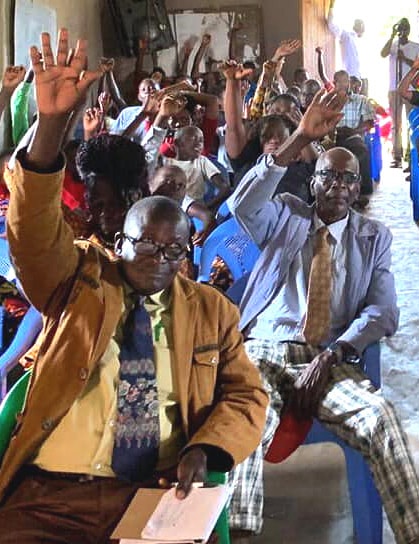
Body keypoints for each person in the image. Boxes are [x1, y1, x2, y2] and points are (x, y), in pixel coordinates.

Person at [0, 29, 268, 542]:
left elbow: (247, 395)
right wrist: (52, 125)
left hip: (152, 493)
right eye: (145, 245)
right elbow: (31, 232)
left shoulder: (211, 312)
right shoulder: (76, 281)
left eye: (173, 251)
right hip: (53, 495)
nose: (159, 259)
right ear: (118, 240)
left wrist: (205, 447)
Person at [226, 89, 419, 543]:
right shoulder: (285, 215)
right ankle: (239, 534)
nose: (338, 188)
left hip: (330, 357)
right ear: (312, 183)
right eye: (328, 178)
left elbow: (384, 309)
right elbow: (242, 204)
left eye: (348, 180)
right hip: (266, 348)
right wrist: (299, 135)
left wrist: (335, 353)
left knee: (379, 417)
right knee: (247, 418)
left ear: (359, 188)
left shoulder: (372, 237)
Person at [381, 18, 419, 168]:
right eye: (401, 28)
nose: (403, 31)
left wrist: (404, 58)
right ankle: (397, 156)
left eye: (405, 28)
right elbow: (382, 53)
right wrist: (392, 35)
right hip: (393, 89)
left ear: (409, 30)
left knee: (411, 123)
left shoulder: (416, 47)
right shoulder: (393, 45)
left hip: (409, 90)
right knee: (395, 124)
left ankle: (411, 156)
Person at [332, 69, 375, 197]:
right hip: (333, 137)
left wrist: (353, 130)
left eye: (346, 81)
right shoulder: (329, 100)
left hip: (353, 136)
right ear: (335, 83)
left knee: (361, 152)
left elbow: (369, 123)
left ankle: (363, 190)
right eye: (340, 81)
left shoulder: (361, 100)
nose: (345, 84)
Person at [327, 0, 364, 79]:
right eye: (362, 26)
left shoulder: (359, 41)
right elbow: (331, 24)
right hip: (349, 76)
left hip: (359, 77)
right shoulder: (346, 35)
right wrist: (331, 6)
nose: (364, 29)